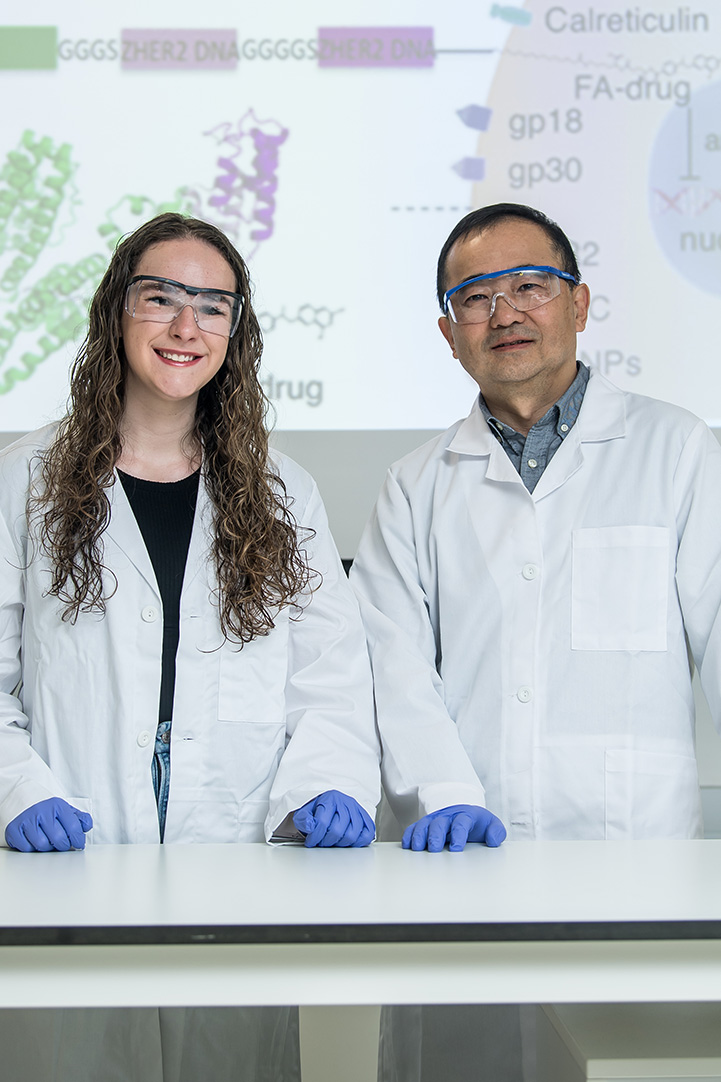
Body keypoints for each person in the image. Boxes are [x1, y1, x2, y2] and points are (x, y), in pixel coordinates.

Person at [0, 212, 380, 1082]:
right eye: (160, 297)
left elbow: (328, 677)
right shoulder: (24, 480)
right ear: (114, 311)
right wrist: (15, 786)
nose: (186, 326)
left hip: (233, 854)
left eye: (213, 306)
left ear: (235, 333)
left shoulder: (286, 492)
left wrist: (325, 782)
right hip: (72, 857)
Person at [350, 202, 721, 1081]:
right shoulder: (414, 486)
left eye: (529, 286)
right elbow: (390, 666)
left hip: (635, 857)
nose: (504, 313)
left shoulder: (679, 453)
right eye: (475, 297)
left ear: (580, 304)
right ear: (448, 334)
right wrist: (438, 794)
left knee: (631, 1060)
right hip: (459, 857)